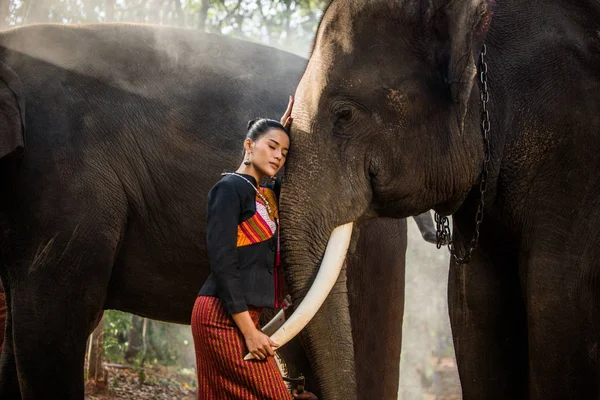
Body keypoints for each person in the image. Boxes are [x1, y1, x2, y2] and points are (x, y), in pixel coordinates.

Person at [191, 96, 318, 400]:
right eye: (271, 146)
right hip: (220, 319)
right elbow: (223, 264)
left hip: (244, 316)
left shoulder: (265, 194)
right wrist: (249, 332)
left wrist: (285, 127)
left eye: (284, 153)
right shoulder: (228, 189)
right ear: (249, 146)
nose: (278, 156)